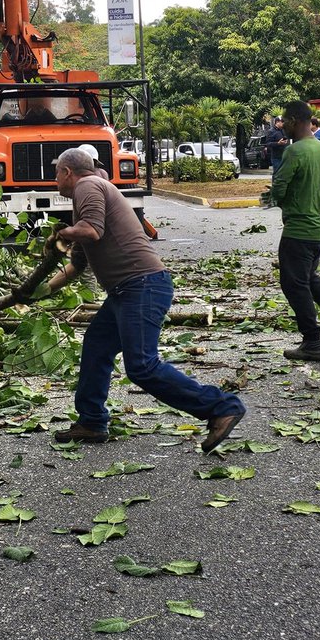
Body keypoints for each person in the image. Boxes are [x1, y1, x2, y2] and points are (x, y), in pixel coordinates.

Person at [46, 148, 245, 452]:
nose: (54, 177)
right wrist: (40, 291)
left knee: (142, 366)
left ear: (68, 172)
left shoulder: (88, 186)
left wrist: (61, 233)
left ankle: (221, 407)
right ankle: (92, 421)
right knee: (97, 345)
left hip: (142, 286)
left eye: (56, 171)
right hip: (126, 291)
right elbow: (77, 266)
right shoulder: (88, 196)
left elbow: (92, 231)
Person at [268, 100, 320, 362]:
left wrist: (281, 201)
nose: (282, 124)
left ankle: (313, 343)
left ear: (295, 120)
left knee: (294, 284)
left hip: (300, 229)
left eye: (285, 120)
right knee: (308, 277)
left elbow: (280, 188)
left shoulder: (294, 152)